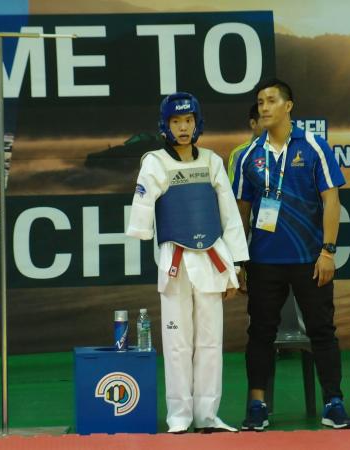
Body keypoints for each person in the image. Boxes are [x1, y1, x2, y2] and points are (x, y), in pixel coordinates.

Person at [232, 78, 350, 430]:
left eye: (271, 100)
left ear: (289, 106)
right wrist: (240, 264)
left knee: (322, 330)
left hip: (309, 259)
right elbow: (241, 213)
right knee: (260, 334)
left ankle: (334, 402)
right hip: (264, 262)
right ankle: (257, 406)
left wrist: (328, 251)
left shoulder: (314, 146)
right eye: (260, 102)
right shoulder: (248, 157)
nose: (264, 107)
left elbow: (332, 199)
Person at [126, 92, 249, 434]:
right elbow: (143, 201)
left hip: (211, 259)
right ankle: (179, 417)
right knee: (177, 342)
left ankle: (207, 415)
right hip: (175, 260)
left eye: (188, 121)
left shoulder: (211, 161)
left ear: (198, 123)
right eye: (176, 122)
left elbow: (229, 214)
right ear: (165, 126)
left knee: (211, 341)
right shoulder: (154, 161)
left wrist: (236, 265)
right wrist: (138, 229)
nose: (183, 128)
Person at [228, 103, 263, 184]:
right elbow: (234, 191)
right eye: (265, 119)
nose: (271, 124)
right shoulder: (239, 154)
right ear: (253, 124)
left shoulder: (288, 149)